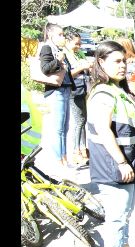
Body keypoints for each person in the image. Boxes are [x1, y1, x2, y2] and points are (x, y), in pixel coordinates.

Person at [86, 40, 135, 247]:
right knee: (117, 214)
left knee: (126, 211)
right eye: (117, 61)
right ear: (101, 62)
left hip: (128, 157)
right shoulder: (103, 93)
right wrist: (121, 162)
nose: (123, 65)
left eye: (124, 61)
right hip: (114, 162)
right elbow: (103, 130)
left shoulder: (118, 89)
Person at [39, 23, 74, 168]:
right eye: (60, 35)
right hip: (55, 91)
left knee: (65, 128)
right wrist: (58, 60)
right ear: (50, 35)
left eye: (63, 34)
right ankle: (59, 160)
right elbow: (45, 68)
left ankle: (64, 158)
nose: (63, 37)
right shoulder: (47, 48)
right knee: (57, 129)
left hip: (64, 90)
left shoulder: (59, 50)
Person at [63, 30, 92, 166]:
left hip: (83, 89)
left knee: (84, 120)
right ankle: (76, 152)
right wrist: (81, 67)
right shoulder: (64, 55)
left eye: (80, 43)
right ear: (68, 42)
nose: (79, 46)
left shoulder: (78, 53)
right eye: (76, 44)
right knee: (78, 121)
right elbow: (67, 75)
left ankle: (83, 149)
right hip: (74, 91)